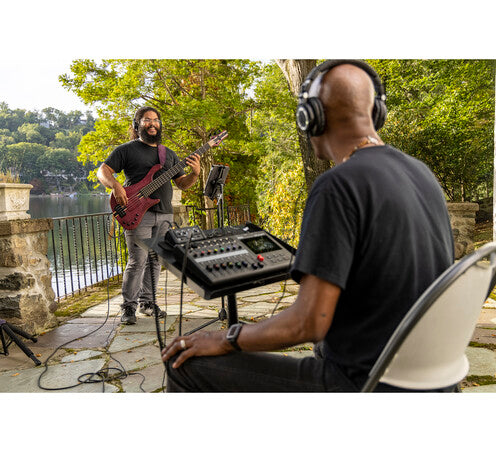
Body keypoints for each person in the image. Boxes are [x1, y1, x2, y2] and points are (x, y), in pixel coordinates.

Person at [161, 60, 455, 392]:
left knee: (184, 365)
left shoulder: (338, 185)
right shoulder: (421, 173)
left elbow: (309, 323)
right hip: (430, 381)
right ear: (376, 112)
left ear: (310, 117)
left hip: (360, 383)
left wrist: (228, 336)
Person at [97, 106, 201, 324]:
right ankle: (128, 307)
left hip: (164, 213)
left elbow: (182, 183)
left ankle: (148, 303)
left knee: (155, 259)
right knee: (137, 260)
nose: (152, 124)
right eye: (146, 120)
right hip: (137, 212)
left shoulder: (168, 154)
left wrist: (195, 174)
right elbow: (103, 171)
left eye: (155, 120)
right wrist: (115, 185)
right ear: (137, 125)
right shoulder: (126, 150)